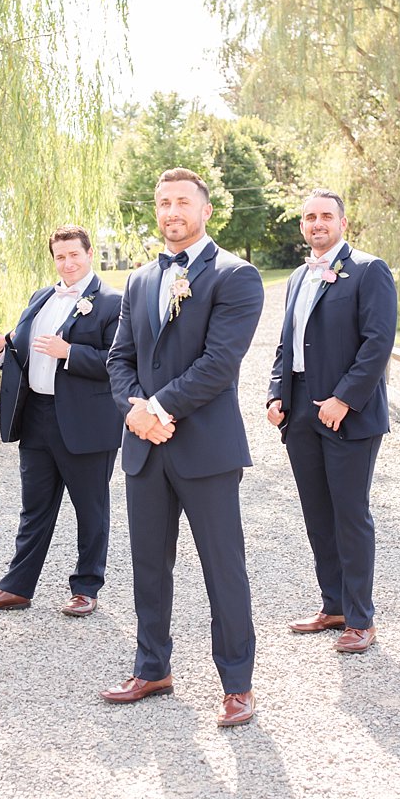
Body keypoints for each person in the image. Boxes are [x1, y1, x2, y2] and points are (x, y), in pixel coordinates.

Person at [103, 168, 265, 727]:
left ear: (205, 210)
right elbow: (118, 358)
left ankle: (237, 685)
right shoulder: (141, 279)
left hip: (206, 448)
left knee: (224, 567)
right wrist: (134, 411)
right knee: (149, 565)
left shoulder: (235, 276)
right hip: (145, 446)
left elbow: (219, 363)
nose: (171, 212)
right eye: (163, 203)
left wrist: (160, 408)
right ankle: (152, 668)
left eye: (181, 203)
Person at [0, 225, 123, 617]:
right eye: (60, 256)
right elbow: (24, 347)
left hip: (85, 422)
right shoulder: (40, 298)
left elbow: (118, 361)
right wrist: (2, 350)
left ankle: (86, 588)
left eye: (74, 254)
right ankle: (16, 587)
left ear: (89, 254)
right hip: (36, 415)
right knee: (34, 508)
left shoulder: (112, 302)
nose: (67, 263)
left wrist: (70, 351)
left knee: (91, 509)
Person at [267, 189, 397, 653]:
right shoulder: (298, 277)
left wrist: (344, 399)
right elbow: (287, 344)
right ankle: (334, 605)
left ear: (343, 222)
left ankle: (361, 618)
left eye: (325, 216)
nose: (317, 224)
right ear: (302, 226)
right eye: (309, 218)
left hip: (348, 413)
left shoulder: (368, 270)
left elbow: (377, 343)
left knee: (350, 513)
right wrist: (275, 393)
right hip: (299, 410)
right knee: (317, 513)